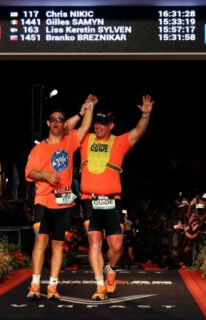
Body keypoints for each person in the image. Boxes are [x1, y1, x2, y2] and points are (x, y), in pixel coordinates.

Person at [77, 95, 153, 300]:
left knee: (117, 246)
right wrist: (86, 109)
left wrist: (145, 114)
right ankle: (99, 285)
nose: (98, 127)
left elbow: (138, 132)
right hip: (89, 199)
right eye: (96, 123)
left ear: (111, 125)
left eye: (103, 123)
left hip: (112, 200)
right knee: (94, 242)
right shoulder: (85, 139)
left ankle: (110, 269)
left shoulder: (118, 142)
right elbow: (71, 128)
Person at [24, 98, 94, 301]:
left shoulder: (70, 140)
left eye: (60, 120)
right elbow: (29, 171)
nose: (56, 122)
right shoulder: (39, 149)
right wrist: (45, 175)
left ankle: (53, 286)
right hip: (43, 201)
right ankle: (35, 285)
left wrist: (89, 107)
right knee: (40, 241)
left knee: (57, 245)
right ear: (48, 123)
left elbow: (85, 126)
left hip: (63, 204)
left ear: (64, 124)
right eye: (53, 119)